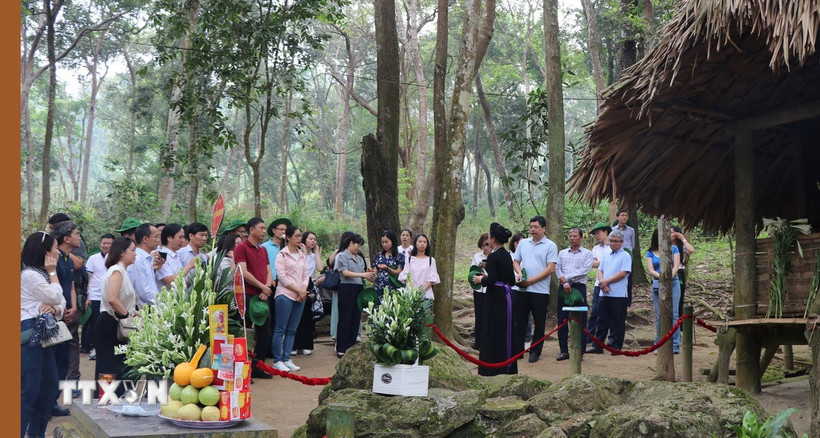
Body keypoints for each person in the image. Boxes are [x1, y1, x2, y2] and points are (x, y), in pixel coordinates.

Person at [21, 231, 67, 435]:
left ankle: (37, 434)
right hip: (30, 334)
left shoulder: (40, 275)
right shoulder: (30, 275)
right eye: (55, 247)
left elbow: (60, 301)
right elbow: (57, 295)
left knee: (48, 389)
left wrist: (56, 309)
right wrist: (52, 272)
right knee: (29, 391)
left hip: (42, 337)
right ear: (45, 252)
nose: (58, 251)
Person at [94, 236, 139, 398]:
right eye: (132, 250)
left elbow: (122, 301)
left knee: (119, 366)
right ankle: (106, 402)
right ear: (121, 253)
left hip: (117, 322)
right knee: (109, 366)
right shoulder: (116, 271)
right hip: (110, 324)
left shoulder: (122, 271)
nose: (135, 254)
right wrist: (126, 316)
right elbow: (112, 298)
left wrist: (135, 313)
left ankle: (114, 400)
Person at [471, 223, 516, 376]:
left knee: (491, 330)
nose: (488, 240)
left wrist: (480, 280)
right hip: (506, 297)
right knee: (504, 330)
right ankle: (507, 367)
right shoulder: (506, 255)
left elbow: (492, 280)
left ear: (493, 239)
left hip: (494, 297)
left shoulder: (494, 256)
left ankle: (490, 368)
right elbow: (511, 280)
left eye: (489, 237)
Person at [512, 215, 558, 363]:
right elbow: (516, 261)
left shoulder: (550, 245)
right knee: (520, 321)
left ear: (544, 228)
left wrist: (531, 281)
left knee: (539, 322)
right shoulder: (523, 243)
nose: (533, 229)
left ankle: (535, 350)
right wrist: (520, 274)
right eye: (531, 227)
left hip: (540, 291)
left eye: (536, 227)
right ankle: (518, 350)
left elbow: (550, 268)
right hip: (523, 290)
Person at [234, 217, 275, 379]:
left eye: (265, 228)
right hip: (247, 295)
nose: (264, 231)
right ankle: (242, 372)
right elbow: (242, 272)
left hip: (262, 295)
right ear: (251, 230)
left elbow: (268, 270)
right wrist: (262, 286)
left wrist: (267, 287)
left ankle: (257, 366)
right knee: (245, 334)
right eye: (262, 228)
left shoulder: (263, 250)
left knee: (265, 332)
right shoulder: (241, 248)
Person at [586, 230, 632, 354]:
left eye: (615, 241)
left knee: (618, 321)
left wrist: (607, 282)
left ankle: (616, 345)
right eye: (611, 241)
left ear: (621, 242)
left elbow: (623, 273)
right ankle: (598, 345)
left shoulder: (626, 256)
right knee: (602, 319)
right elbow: (600, 270)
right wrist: (602, 282)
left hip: (619, 294)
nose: (613, 243)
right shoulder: (606, 255)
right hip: (604, 293)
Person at [271, 226, 310, 372]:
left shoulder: (301, 255)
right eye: (296, 236)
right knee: (280, 328)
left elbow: (306, 274)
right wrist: (299, 290)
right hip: (285, 295)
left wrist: (303, 290)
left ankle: (287, 358)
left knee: (292, 329)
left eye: (300, 236)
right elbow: (282, 277)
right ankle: (277, 359)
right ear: (288, 238)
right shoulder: (282, 255)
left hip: (300, 296)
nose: (299, 239)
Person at [51, 221, 82, 395]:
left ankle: (54, 399)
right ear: (66, 238)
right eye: (76, 234)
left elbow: (70, 286)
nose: (79, 237)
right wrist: (61, 309)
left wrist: (74, 306)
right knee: (54, 358)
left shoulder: (68, 259)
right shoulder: (55, 259)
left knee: (63, 358)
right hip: (56, 315)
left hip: (67, 313)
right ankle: (47, 402)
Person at [555, 228, 593, 361]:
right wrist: (563, 281)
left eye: (575, 236)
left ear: (581, 238)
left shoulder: (587, 253)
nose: (572, 238)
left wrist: (567, 279)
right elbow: (557, 268)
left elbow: (585, 270)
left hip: (578, 287)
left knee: (581, 319)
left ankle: (580, 351)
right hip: (563, 287)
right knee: (562, 320)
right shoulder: (562, 253)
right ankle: (563, 350)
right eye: (570, 236)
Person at [334, 233, 374, 357]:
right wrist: (362, 275)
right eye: (357, 245)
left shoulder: (360, 258)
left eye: (360, 246)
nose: (358, 248)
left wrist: (369, 275)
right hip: (346, 288)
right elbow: (345, 273)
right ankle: (341, 347)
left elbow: (363, 273)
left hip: (358, 289)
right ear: (351, 243)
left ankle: (351, 347)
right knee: (345, 317)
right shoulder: (342, 256)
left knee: (355, 318)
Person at [646, 229, 682, 353]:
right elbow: (650, 269)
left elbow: (676, 265)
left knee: (675, 314)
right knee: (659, 315)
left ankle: (675, 345)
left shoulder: (674, 249)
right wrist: (661, 276)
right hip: (657, 283)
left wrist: (669, 276)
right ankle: (659, 343)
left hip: (674, 282)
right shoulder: (650, 252)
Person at [82, 233, 115, 361]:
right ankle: (95, 348)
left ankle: (108, 349)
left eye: (109, 243)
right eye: (104, 243)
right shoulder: (93, 258)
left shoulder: (115, 259)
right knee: (96, 324)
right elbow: (88, 279)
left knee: (110, 325)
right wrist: (88, 296)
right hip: (95, 296)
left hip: (111, 298)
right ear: (100, 244)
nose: (106, 246)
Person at [292, 231, 323, 356]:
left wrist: (316, 252)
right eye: (310, 239)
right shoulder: (298, 253)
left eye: (315, 239)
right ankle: (293, 346)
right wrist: (304, 253)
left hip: (309, 284)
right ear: (304, 240)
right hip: (297, 283)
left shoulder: (313, 255)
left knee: (307, 316)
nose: (313, 241)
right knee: (296, 316)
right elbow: (300, 268)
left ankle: (305, 345)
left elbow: (320, 268)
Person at [587, 222, 612, 349]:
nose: (596, 236)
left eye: (598, 233)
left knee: (609, 312)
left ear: (606, 232)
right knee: (595, 311)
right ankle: (589, 336)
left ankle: (608, 339)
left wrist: (600, 263)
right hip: (598, 283)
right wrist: (604, 262)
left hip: (613, 283)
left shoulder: (612, 247)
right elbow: (592, 263)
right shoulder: (596, 249)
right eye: (595, 234)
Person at [127, 223, 164, 306]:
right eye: (156, 236)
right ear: (145, 239)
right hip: (143, 309)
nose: (158, 240)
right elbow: (143, 291)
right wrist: (162, 305)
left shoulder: (147, 259)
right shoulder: (137, 259)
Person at [398, 234, 440, 300]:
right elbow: (406, 277)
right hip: (410, 295)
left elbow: (432, 278)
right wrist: (415, 291)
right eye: (420, 241)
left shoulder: (431, 260)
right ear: (415, 244)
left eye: (424, 242)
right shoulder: (409, 260)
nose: (422, 244)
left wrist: (421, 291)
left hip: (426, 295)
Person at [329, 231, 354, 340]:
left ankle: (337, 333)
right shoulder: (341, 255)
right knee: (341, 310)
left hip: (342, 287)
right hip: (343, 286)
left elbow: (329, 264)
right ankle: (339, 334)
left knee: (338, 311)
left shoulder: (339, 254)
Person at [155, 223, 196, 291]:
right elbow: (169, 281)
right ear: (169, 238)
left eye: (183, 237)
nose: (183, 240)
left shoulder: (175, 255)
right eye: (180, 237)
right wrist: (189, 266)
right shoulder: (162, 256)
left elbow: (180, 281)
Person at [470, 233, 491, 349]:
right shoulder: (477, 256)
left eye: (487, 244)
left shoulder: (495, 256)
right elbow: (472, 272)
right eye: (483, 245)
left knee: (490, 316)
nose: (486, 248)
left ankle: (488, 342)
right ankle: (478, 342)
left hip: (491, 290)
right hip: (479, 290)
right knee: (479, 316)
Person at [670, 226, 695, 318]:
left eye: (672, 232)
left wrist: (683, 239)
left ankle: (679, 321)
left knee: (679, 298)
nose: (670, 235)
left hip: (679, 272)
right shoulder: (665, 245)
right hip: (668, 272)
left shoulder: (681, 247)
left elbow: (691, 250)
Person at [372, 230, 405, 299]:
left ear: (393, 241)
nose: (384, 244)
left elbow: (398, 272)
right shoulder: (379, 256)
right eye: (382, 242)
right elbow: (375, 272)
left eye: (386, 242)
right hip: (379, 287)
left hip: (393, 287)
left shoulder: (399, 256)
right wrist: (371, 272)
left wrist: (387, 268)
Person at [614, 209, 636, 307]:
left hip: (628, 256)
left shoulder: (631, 230)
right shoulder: (613, 229)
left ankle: (628, 301)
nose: (624, 217)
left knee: (628, 278)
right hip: (617, 256)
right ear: (618, 217)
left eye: (626, 216)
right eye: (622, 215)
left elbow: (633, 244)